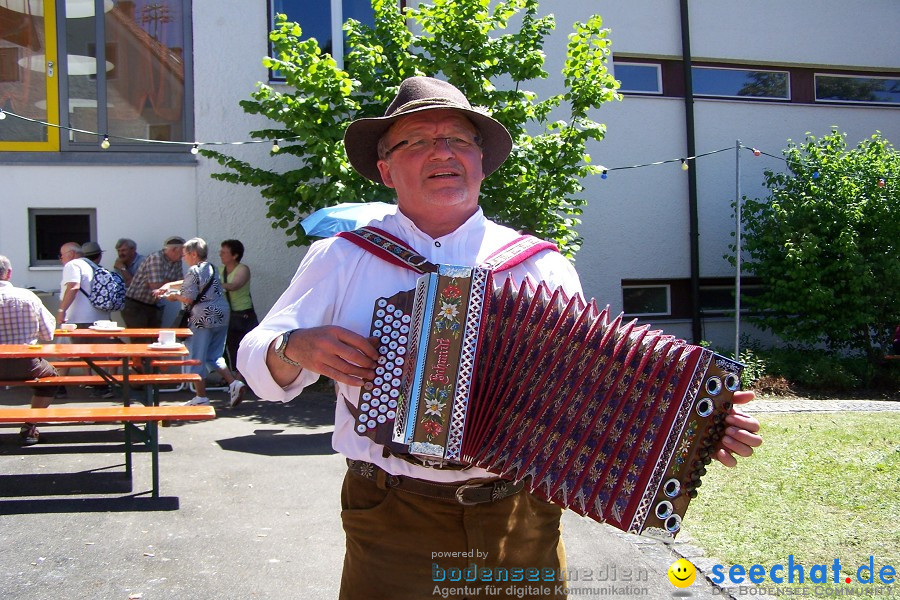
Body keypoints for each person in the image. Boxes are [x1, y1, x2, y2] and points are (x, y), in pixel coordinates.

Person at [237, 77, 764, 599]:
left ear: (481, 161)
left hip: (520, 513)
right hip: (393, 511)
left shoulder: (540, 265)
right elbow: (256, 362)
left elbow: (590, 390)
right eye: (416, 140)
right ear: (385, 170)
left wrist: (696, 429)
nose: (442, 152)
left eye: (459, 140)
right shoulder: (343, 257)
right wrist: (294, 347)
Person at [156, 238, 246, 408]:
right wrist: (170, 285)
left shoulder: (193, 270)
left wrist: (173, 296)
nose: (184, 258)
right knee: (214, 355)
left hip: (202, 317)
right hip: (221, 313)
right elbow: (193, 284)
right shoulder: (211, 267)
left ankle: (201, 396)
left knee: (196, 357)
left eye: (185, 255)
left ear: (193, 254)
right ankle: (234, 384)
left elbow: (188, 297)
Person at [0, 255, 58, 446]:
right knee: (51, 379)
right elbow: (48, 333)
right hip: (27, 364)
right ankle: (30, 427)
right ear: (9, 273)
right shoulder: (28, 297)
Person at [122, 236, 184, 329]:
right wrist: (170, 284)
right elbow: (156, 286)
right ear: (174, 249)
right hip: (136, 306)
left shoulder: (177, 261)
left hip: (153, 305)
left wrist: (166, 283)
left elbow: (181, 284)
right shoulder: (156, 258)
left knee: (155, 340)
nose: (184, 255)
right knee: (140, 340)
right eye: (182, 251)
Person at [218, 239, 258, 381]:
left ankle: (245, 379)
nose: (220, 254)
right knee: (231, 347)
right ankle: (236, 379)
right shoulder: (220, 270)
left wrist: (214, 284)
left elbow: (235, 285)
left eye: (224, 252)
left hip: (244, 314)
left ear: (234, 255)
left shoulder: (243, 269)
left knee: (246, 347)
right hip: (229, 315)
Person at [57, 242, 110, 326]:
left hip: (81, 320)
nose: (61, 259)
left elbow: (73, 287)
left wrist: (61, 310)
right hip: (101, 317)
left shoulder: (72, 265)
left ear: (71, 254)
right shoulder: (94, 266)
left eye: (61, 256)